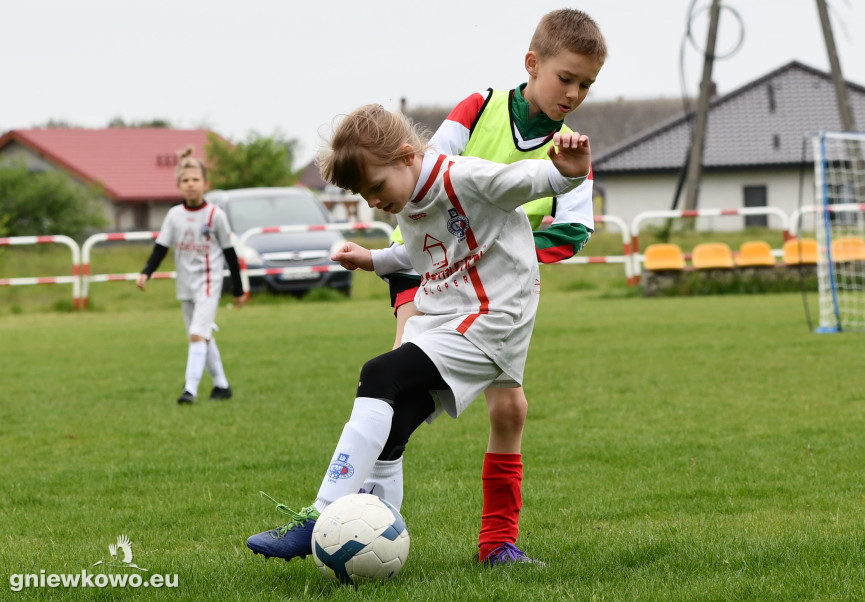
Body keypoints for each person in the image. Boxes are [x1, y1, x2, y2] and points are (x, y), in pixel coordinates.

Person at [245, 104, 592, 564]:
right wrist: (373, 260)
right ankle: (372, 540)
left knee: (379, 373)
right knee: (396, 423)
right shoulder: (408, 197)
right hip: (449, 320)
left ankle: (319, 515)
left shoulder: (463, 177)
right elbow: (415, 250)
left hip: (491, 323)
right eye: (362, 194)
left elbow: (528, 180)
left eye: (375, 187)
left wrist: (568, 173)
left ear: (407, 156)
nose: (373, 201)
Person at [336, 8, 608, 566]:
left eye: (586, 84)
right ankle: (360, 518)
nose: (574, 93)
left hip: (499, 290)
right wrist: (401, 268)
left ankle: (496, 543)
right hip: (427, 269)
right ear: (532, 65)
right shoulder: (477, 108)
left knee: (509, 411)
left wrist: (500, 242)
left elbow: (575, 230)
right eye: (567, 78)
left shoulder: (571, 149)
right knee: (397, 388)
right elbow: (421, 181)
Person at [136, 147, 246, 404]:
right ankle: (222, 386)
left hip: (209, 282)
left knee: (197, 335)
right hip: (185, 284)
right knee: (202, 335)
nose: (191, 184)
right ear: (178, 185)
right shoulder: (174, 215)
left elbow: (230, 255)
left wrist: (239, 290)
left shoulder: (215, 216)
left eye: (195, 180)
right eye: (185, 180)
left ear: (205, 183)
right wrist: (146, 272)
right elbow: (161, 248)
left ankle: (190, 390)